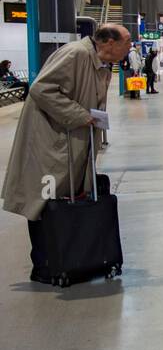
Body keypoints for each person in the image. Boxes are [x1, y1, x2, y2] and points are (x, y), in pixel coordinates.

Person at [1, 24, 130, 283]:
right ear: (108, 43)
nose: (130, 47)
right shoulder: (75, 54)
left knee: (64, 200)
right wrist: (80, 116)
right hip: (51, 142)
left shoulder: (98, 62)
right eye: (126, 42)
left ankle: (65, 260)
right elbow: (41, 89)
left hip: (70, 142)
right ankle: (45, 266)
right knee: (45, 202)